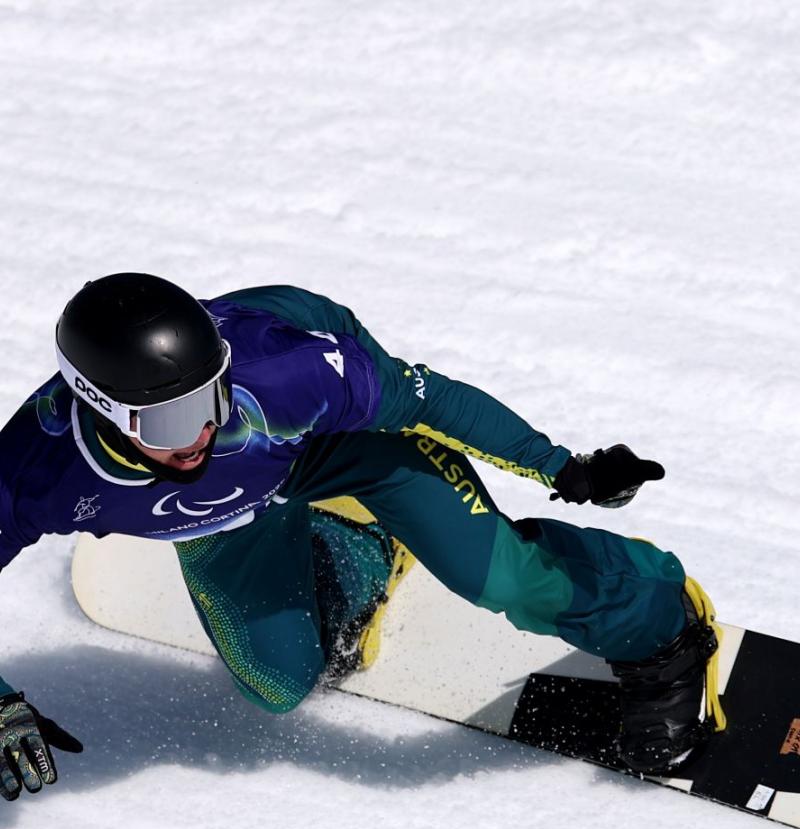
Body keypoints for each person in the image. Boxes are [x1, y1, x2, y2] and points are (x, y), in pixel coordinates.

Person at [0, 273, 722, 801]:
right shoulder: (37, 470)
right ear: (98, 411)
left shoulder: (284, 377)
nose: (199, 433)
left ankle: (662, 621)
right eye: (164, 422)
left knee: (499, 576)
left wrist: (561, 464)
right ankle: (356, 543)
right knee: (278, 686)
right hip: (233, 508)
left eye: (209, 398)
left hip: (330, 443)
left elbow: (428, 400)